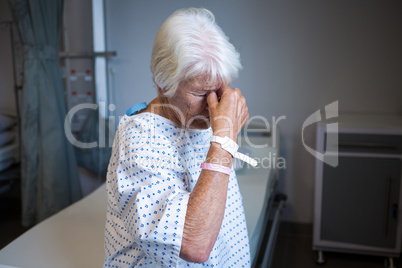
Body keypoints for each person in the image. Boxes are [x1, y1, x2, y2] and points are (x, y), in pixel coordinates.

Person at [104, 7, 251, 267]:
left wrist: (223, 137)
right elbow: (193, 245)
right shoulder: (141, 139)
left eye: (219, 89)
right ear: (163, 85)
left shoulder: (204, 125)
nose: (214, 104)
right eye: (201, 93)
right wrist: (225, 140)